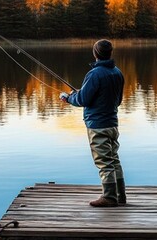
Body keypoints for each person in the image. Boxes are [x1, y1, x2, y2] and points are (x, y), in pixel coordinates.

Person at [59, 39, 126, 207]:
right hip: (112, 124)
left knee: (104, 161)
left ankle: (110, 197)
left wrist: (68, 98)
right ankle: (120, 195)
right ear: (110, 53)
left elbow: (82, 99)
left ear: (95, 54)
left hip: (98, 125)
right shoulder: (117, 73)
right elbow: (117, 101)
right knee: (114, 159)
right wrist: (80, 94)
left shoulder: (94, 74)